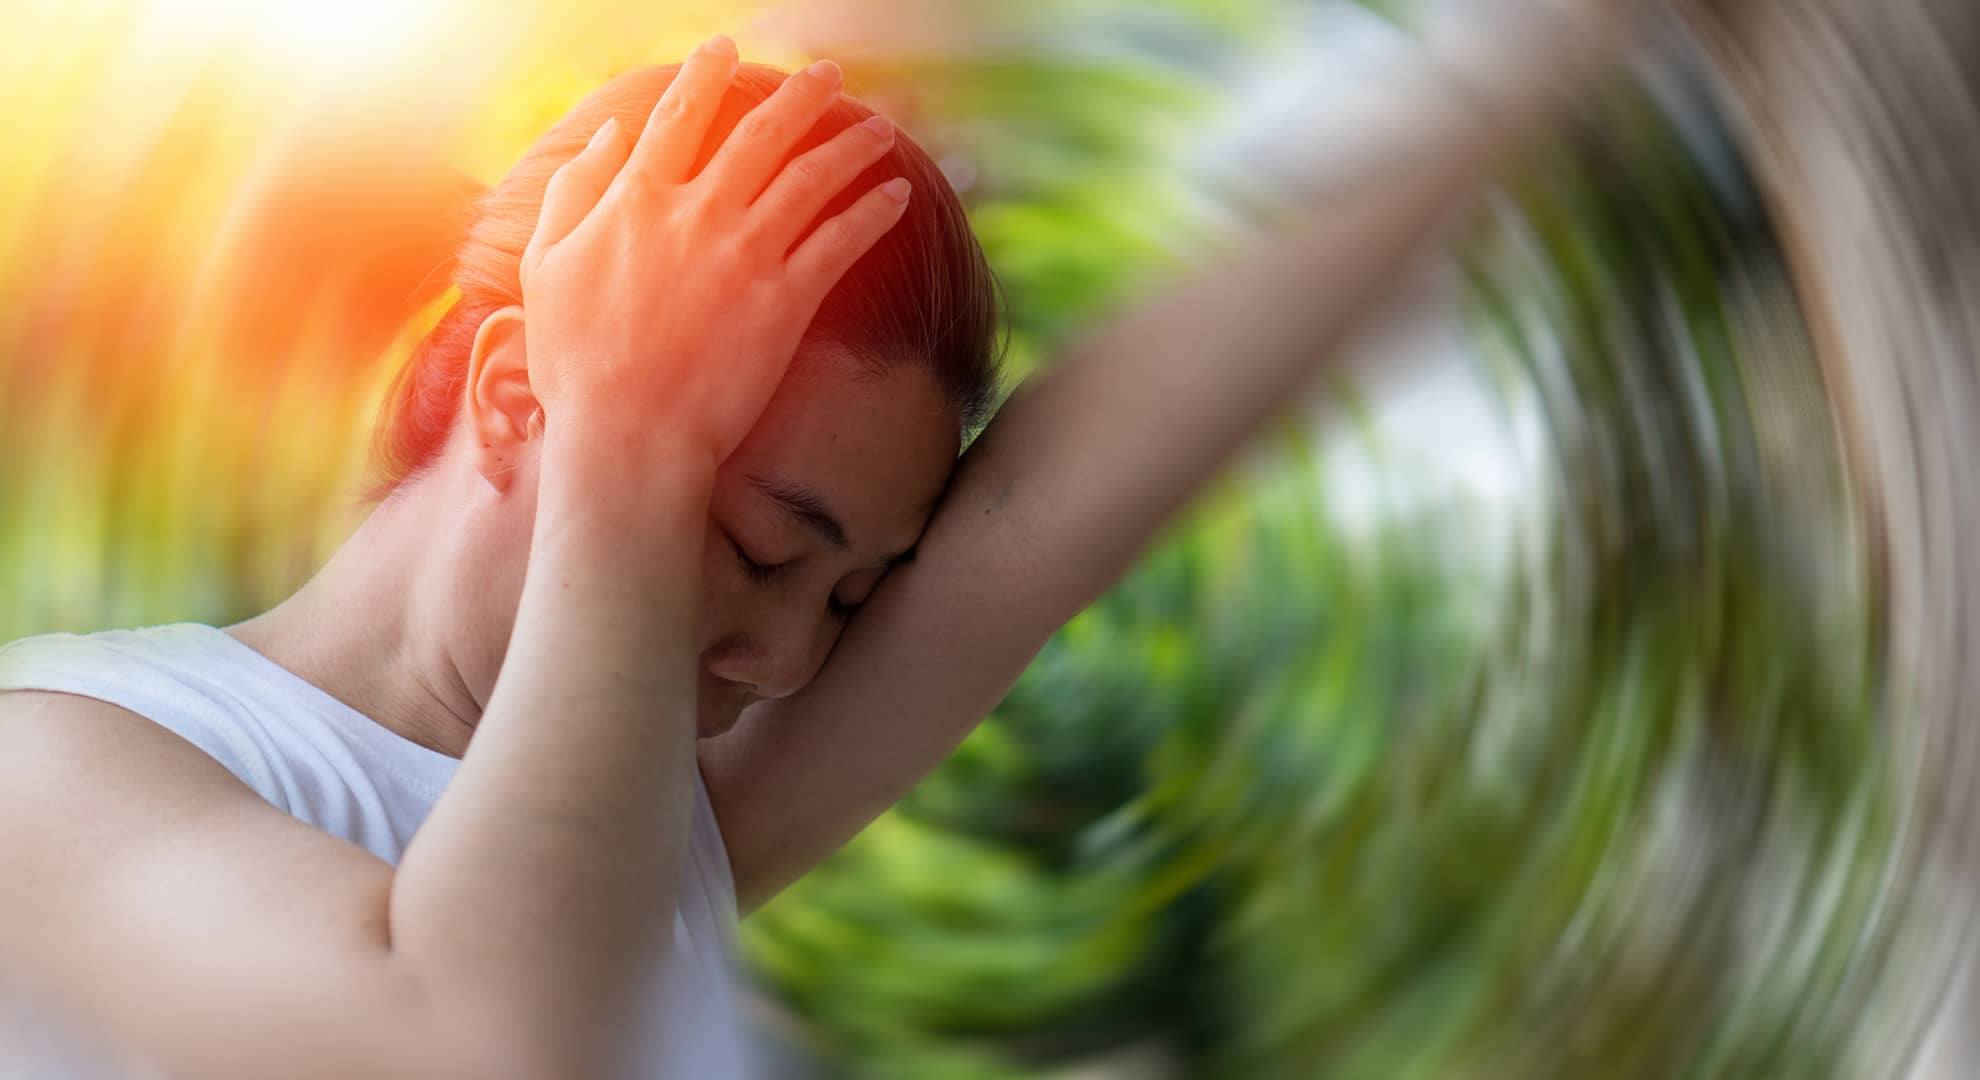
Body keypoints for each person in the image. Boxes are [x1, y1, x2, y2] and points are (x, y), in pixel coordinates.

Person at [0, 5, 1641, 1078]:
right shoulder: (56, 762)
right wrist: (634, 448)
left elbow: (1057, 515)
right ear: (520, 398)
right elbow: (482, 1046)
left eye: (851, 589)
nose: (791, 658)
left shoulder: (648, 822)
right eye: (764, 545)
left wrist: (1568, 49)